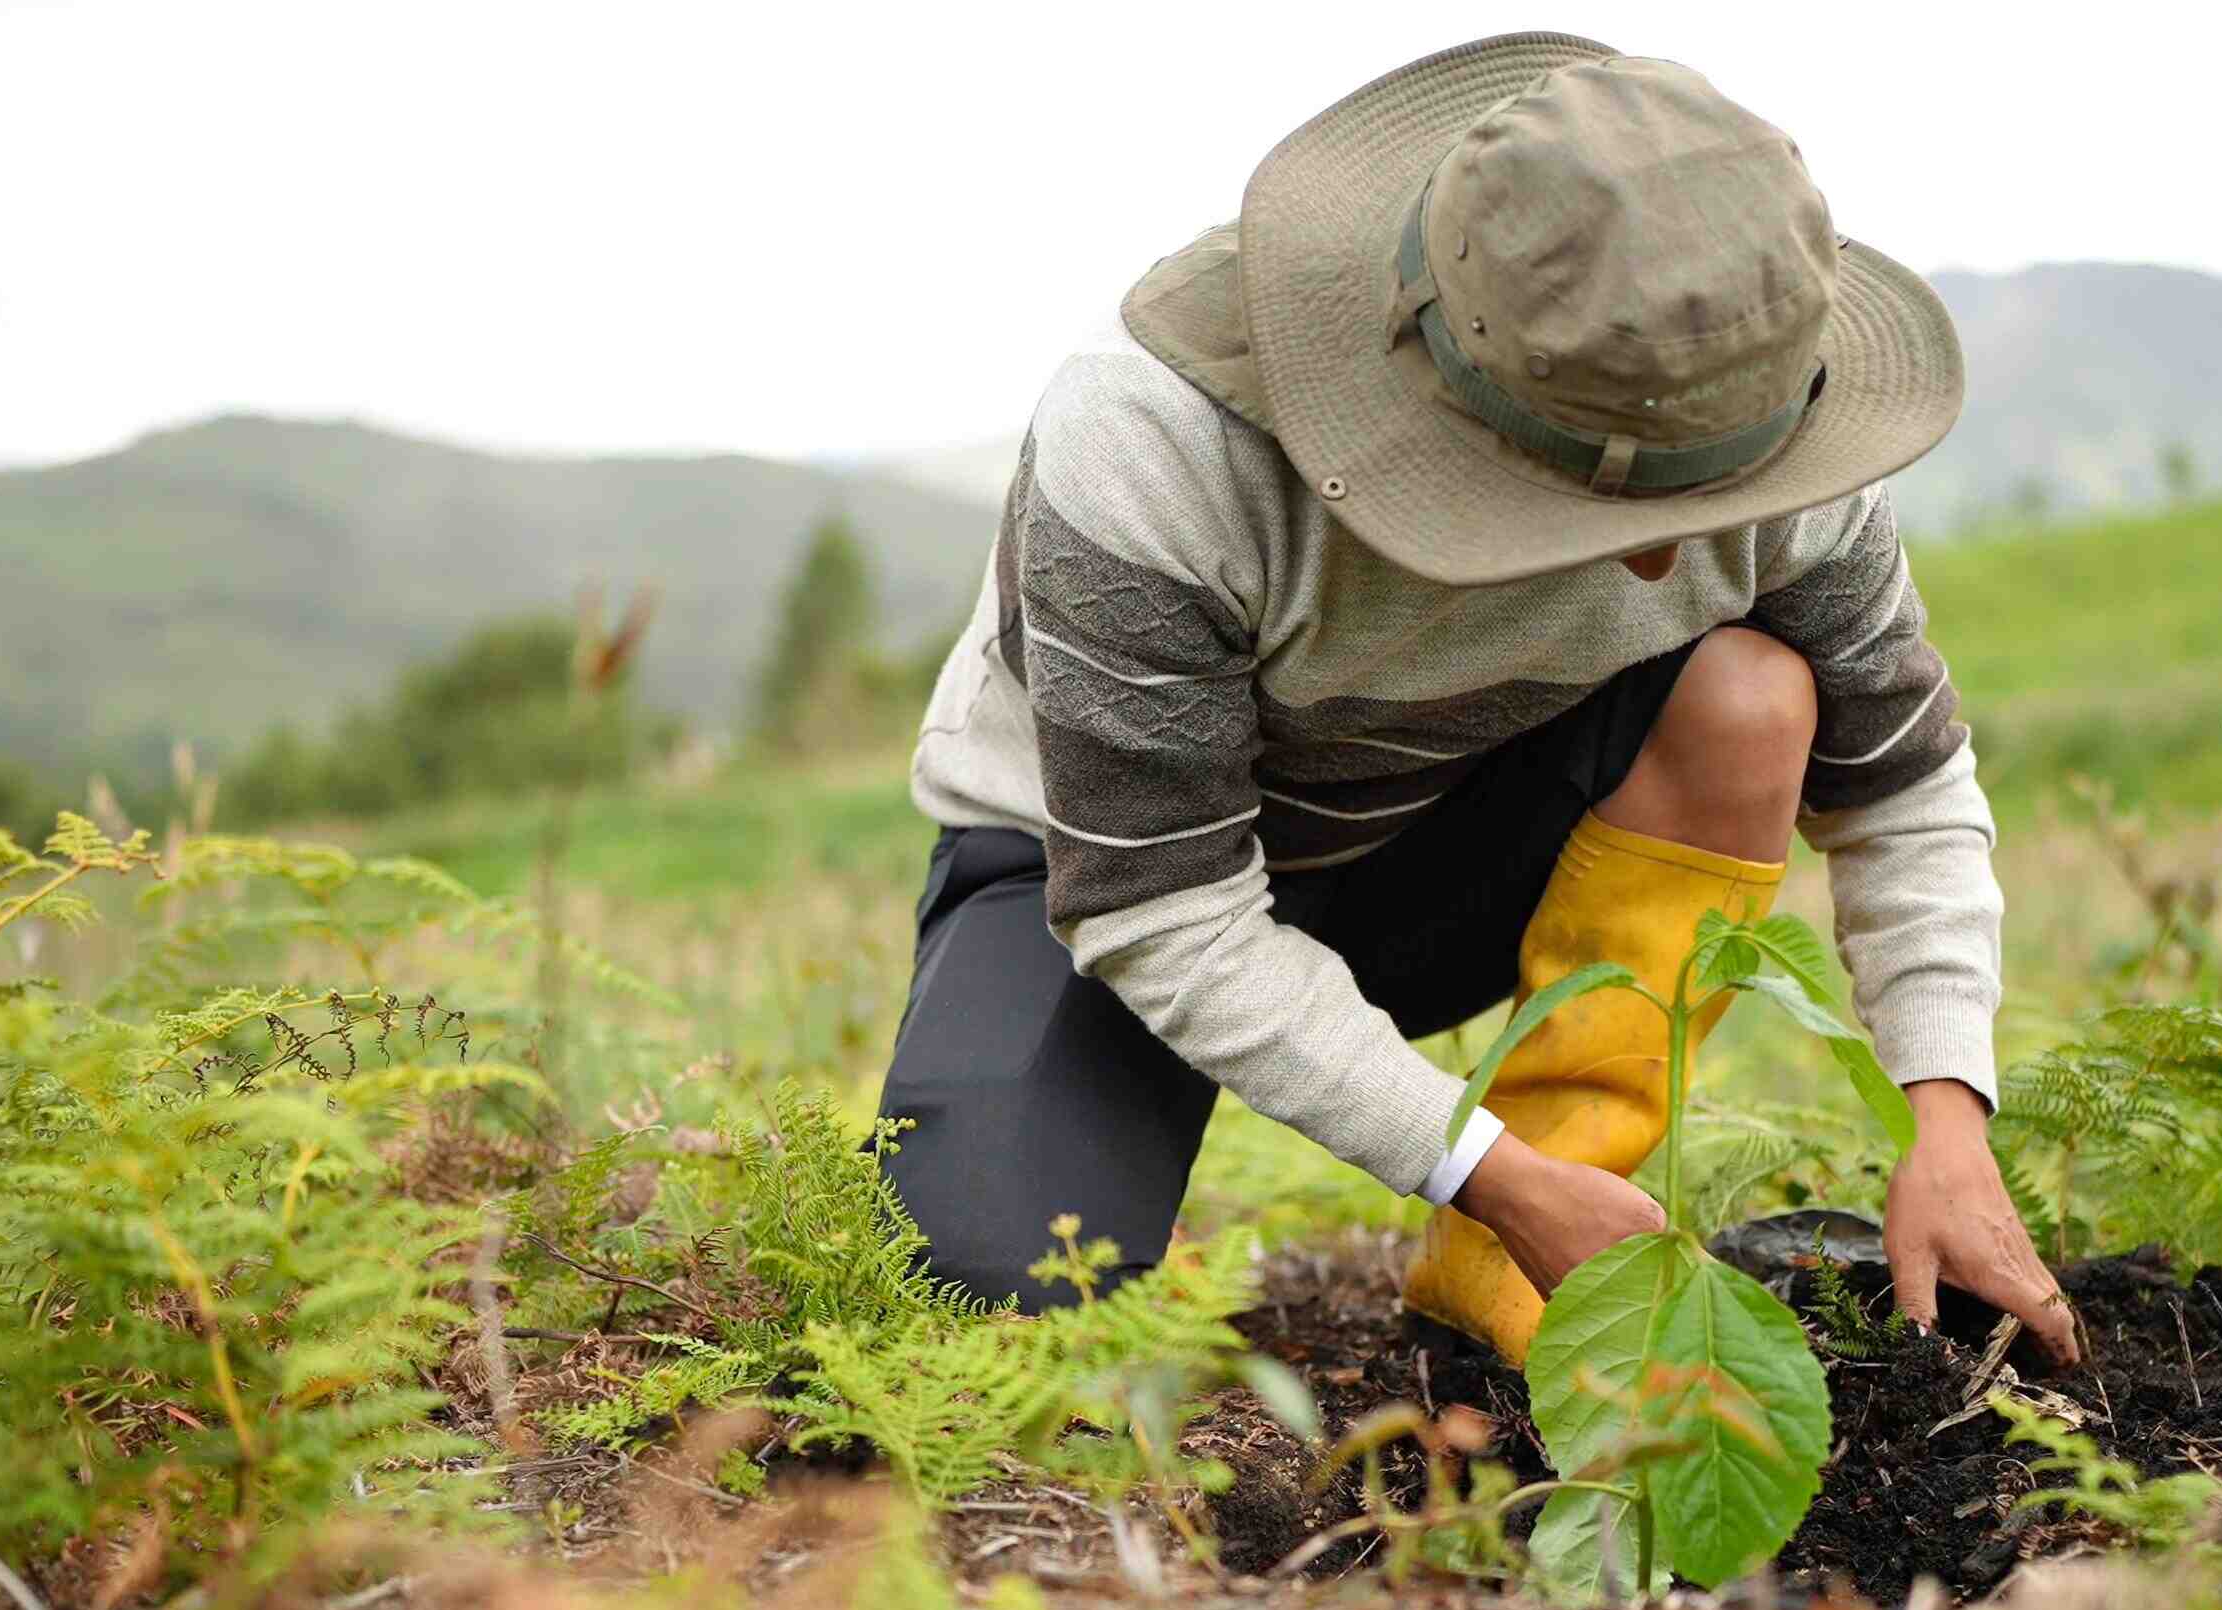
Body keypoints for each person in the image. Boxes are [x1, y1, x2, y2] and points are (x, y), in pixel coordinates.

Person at [882, 31, 2079, 1368]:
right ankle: (1521, 1205)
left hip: (1447, 850)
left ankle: (1501, 1279)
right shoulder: (1158, 441)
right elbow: (1159, 907)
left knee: (1752, 695)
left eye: (1719, 505)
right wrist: (1477, 1164)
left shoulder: (1769, 416)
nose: (1661, 565)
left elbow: (1904, 783)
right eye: (1614, 509)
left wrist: (1949, 1121)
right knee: (987, 1320)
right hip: (1101, 885)